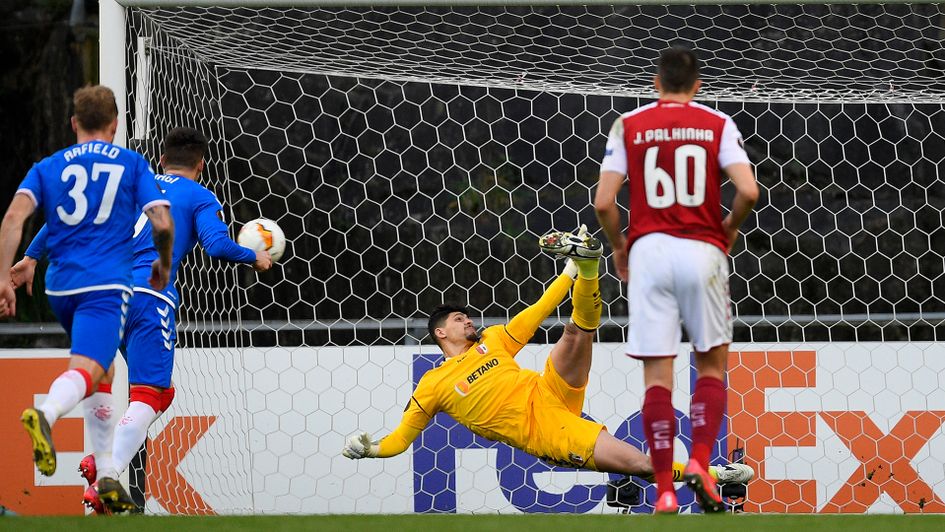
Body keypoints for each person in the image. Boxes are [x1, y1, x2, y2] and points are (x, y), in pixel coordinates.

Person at [342, 226, 753, 496]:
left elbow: (538, 309)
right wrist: (369, 449)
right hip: (547, 432)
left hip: (549, 389)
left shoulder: (493, 341)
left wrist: (571, 269)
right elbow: (399, 441)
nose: (467, 320)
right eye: (458, 319)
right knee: (641, 464)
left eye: (466, 316)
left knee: (576, 332)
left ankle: (589, 267)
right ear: (441, 334)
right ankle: (718, 475)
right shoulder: (432, 385)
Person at [14, 127, 273, 514]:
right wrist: (255, 257)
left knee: (116, 379)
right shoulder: (200, 196)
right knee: (152, 394)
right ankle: (105, 477)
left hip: (109, 294)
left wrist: (31, 257)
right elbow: (217, 245)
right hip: (151, 297)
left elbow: (64, 220)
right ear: (202, 165)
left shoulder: (132, 183)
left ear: (162, 160)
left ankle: (86, 449)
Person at [594, 46, 760, 514]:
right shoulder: (717, 123)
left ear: (655, 83)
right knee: (710, 366)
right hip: (702, 250)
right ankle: (702, 464)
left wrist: (620, 246)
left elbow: (604, 202)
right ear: (698, 85)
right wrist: (728, 229)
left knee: (657, 378)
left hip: (649, 252)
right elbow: (748, 190)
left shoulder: (629, 124)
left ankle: (665, 489)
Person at [0, 85, 174, 510]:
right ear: (115, 126)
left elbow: (14, 217)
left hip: (60, 286)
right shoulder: (131, 164)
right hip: (104, 286)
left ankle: (108, 475)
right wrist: (164, 264)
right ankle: (46, 414)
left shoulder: (48, 166)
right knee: (89, 367)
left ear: (74, 123)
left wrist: (10, 273)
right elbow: (161, 221)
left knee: (104, 369)